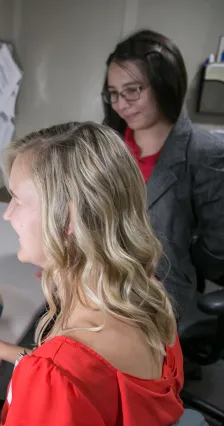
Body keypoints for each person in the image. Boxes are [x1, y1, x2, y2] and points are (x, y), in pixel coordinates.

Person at [0, 122, 184, 426]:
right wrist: (3, 349)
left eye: (18, 201)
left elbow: (68, 376)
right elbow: (97, 380)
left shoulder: (55, 374)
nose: (7, 213)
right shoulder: (148, 296)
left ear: (67, 221)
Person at [102, 29, 224, 317]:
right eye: (114, 94)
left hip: (161, 307)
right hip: (102, 293)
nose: (121, 104)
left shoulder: (204, 152)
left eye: (132, 90)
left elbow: (217, 252)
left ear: (163, 84)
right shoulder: (110, 145)